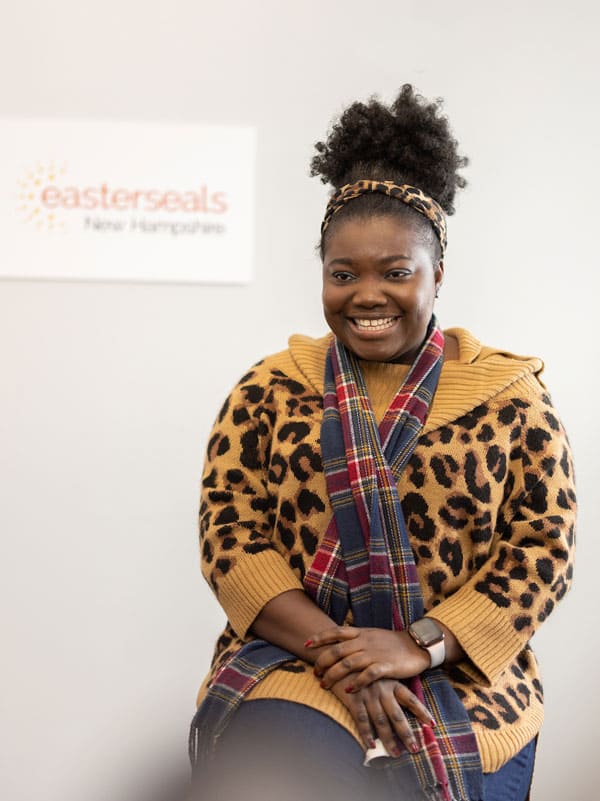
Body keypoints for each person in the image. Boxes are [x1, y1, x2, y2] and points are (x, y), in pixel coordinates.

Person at [188, 85, 576, 801]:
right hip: (297, 660)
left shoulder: (511, 396)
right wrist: (349, 658)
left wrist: (412, 646)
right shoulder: (271, 388)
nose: (367, 294)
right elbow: (231, 539)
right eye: (343, 274)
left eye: (396, 272)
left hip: (462, 673)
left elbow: (541, 553)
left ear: (437, 274)